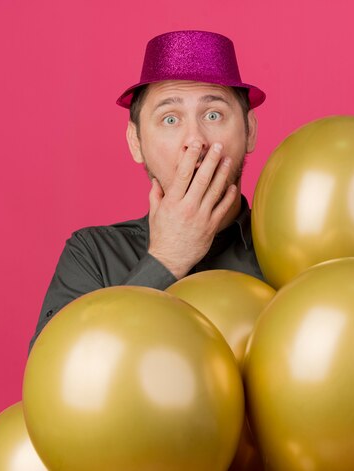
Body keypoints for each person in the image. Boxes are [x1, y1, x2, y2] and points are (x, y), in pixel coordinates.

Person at [30, 30, 267, 351]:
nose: (195, 140)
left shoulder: (293, 249)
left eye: (214, 115)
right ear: (136, 142)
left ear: (249, 131)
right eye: (170, 119)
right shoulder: (93, 254)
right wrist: (166, 259)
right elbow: (57, 379)